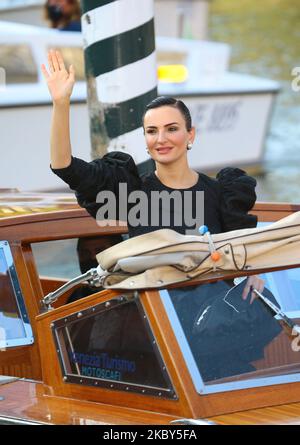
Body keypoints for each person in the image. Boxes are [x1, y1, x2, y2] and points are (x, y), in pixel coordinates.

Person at [41, 50, 264, 301]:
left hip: (210, 322)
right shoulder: (133, 194)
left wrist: (252, 272)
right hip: (158, 322)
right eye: (152, 131)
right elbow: (64, 166)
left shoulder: (222, 193)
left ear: (191, 135)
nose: (161, 139)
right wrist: (61, 104)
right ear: (145, 140)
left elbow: (239, 258)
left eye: (172, 129)